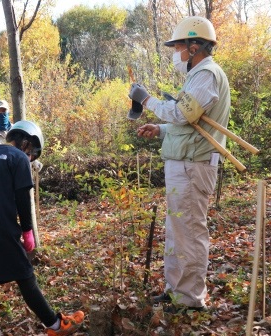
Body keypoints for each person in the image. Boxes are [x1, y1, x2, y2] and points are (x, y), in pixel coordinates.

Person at [129, 16, 230, 310]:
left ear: (194, 45)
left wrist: (147, 100)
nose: (176, 53)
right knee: (177, 232)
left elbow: (184, 113)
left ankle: (189, 299)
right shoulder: (196, 75)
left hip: (193, 166)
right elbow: (190, 123)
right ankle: (176, 292)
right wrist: (160, 129)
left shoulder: (207, 74)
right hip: (184, 165)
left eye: (178, 46)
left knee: (190, 233)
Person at [0, 120, 84, 336]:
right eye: (33, 152)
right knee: (25, 275)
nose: (31, 158)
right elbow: (24, 198)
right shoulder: (19, 158)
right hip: (1, 227)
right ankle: (55, 326)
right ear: (26, 143)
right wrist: (27, 231)